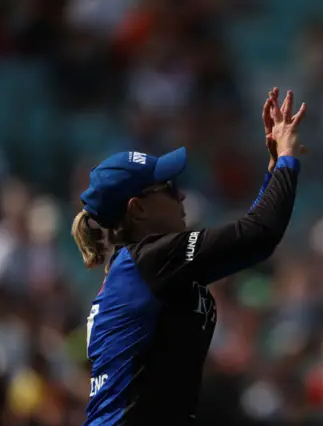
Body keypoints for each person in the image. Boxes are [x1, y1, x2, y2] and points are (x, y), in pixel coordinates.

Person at [72, 88, 306, 425]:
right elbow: (259, 234)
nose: (180, 194)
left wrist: (272, 169)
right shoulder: (151, 260)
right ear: (137, 210)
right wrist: (287, 159)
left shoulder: (146, 266)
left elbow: (248, 241)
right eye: (166, 188)